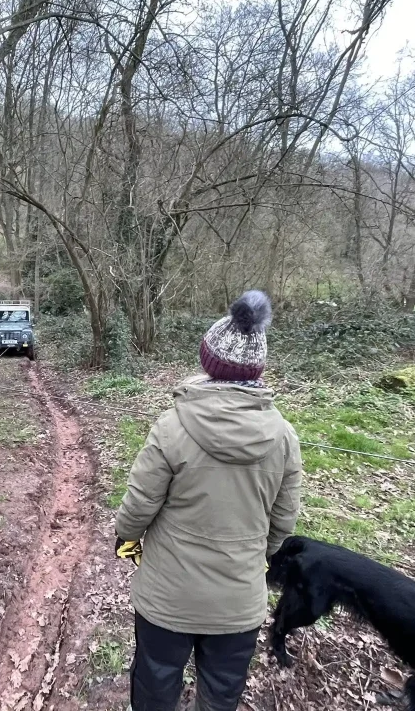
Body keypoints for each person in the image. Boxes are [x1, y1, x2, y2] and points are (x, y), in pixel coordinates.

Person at [115, 290, 302, 711]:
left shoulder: (171, 426)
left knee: (155, 684)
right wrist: (263, 557)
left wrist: (126, 538)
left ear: (208, 361)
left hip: (167, 599)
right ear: (258, 369)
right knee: (221, 694)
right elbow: (284, 519)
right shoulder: (284, 436)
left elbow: (139, 504)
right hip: (238, 603)